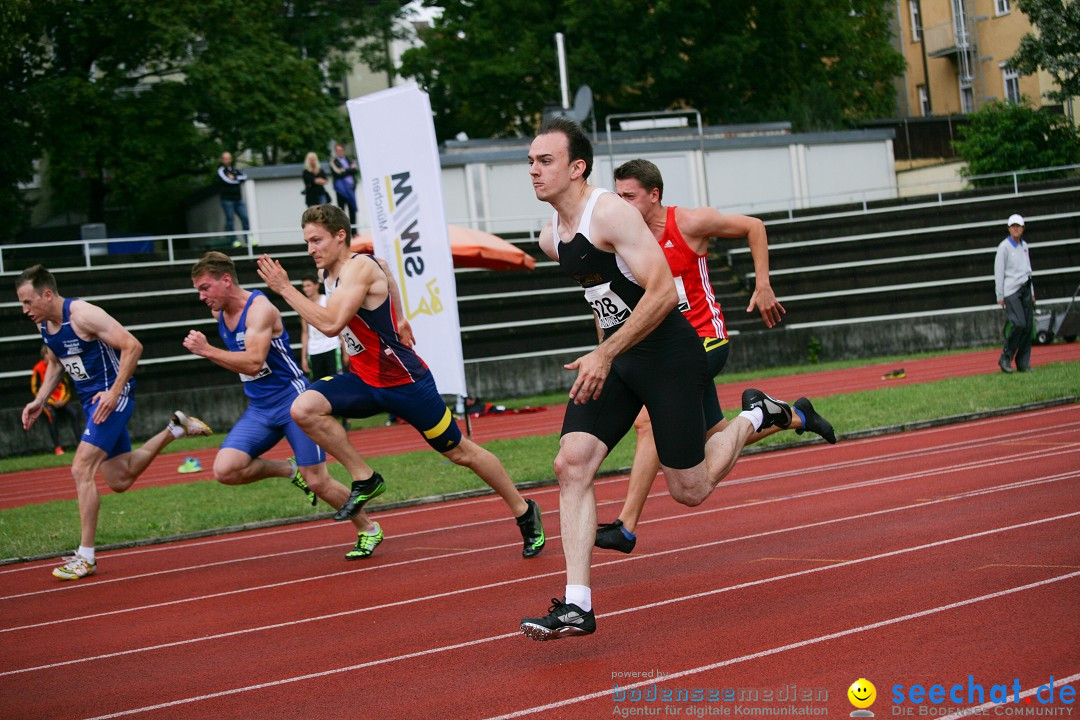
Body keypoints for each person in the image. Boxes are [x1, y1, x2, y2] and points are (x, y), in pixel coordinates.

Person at [517, 117, 815, 641]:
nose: (534, 170)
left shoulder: (608, 211)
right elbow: (601, 295)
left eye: (545, 160)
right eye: (531, 161)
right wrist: (604, 349)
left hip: (670, 353)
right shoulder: (554, 235)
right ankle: (577, 605)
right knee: (572, 463)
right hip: (621, 357)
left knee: (689, 489)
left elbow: (662, 294)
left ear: (577, 167)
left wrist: (605, 352)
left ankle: (756, 415)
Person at [254, 204, 547, 560]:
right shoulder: (336, 275)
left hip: (406, 383)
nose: (310, 249)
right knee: (304, 407)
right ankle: (365, 477)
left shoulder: (358, 267)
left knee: (460, 452)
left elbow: (330, 325)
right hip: (365, 381)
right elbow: (389, 274)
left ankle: (523, 509)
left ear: (340, 236)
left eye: (316, 240)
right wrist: (400, 315)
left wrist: (284, 288)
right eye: (307, 242)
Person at [595, 159, 838, 554]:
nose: (621, 204)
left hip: (705, 341)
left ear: (654, 195)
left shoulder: (689, 222)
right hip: (663, 350)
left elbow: (753, 227)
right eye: (617, 196)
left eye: (629, 196)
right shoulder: (625, 241)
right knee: (717, 439)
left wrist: (762, 285)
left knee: (648, 420)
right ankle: (790, 414)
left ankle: (626, 525)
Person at [17, 265, 212, 580]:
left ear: (47, 294)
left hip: (112, 399)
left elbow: (132, 346)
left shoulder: (83, 315)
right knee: (120, 479)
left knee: (81, 468)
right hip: (92, 404)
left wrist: (114, 392)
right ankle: (176, 427)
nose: (24, 310)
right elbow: (55, 363)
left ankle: (86, 556)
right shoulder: (45, 325)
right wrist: (40, 400)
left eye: (28, 302)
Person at [184, 252, 383, 559]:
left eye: (205, 287)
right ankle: (291, 470)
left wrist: (207, 350)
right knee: (226, 470)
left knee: (319, 480)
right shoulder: (219, 314)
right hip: (260, 408)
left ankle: (368, 528)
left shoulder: (259, 309)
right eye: (198, 290)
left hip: (293, 402)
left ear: (226, 280)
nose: (201, 296)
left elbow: (252, 363)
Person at [995, 214, 1035, 373]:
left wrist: (1032, 291)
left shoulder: (1025, 246)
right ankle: (1006, 356)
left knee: (1028, 327)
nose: (1016, 228)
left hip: (1025, 288)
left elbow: (1028, 269)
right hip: (1011, 290)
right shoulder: (1004, 247)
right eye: (1013, 226)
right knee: (1018, 323)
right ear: (1009, 228)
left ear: (1023, 229)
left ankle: (1023, 362)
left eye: (1018, 226)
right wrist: (1000, 295)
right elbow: (999, 272)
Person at [30, 344, 83, 455]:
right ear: (45, 355)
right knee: (52, 416)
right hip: (48, 401)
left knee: (74, 413)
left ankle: (80, 443)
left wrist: (63, 400)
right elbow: (35, 389)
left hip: (61, 400)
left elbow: (66, 386)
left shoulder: (58, 366)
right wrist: (50, 401)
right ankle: (57, 447)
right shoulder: (38, 369)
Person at [299, 274, 340, 380]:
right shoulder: (303, 305)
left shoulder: (326, 300)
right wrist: (303, 357)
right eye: (304, 286)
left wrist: (344, 350)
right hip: (314, 350)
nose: (306, 289)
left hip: (331, 346)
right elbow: (305, 332)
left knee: (335, 381)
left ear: (316, 285)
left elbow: (338, 325)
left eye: (308, 285)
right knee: (319, 384)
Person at [217, 151, 250, 247]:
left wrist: (234, 177)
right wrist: (236, 179)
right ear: (222, 160)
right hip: (227, 200)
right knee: (230, 220)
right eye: (225, 158)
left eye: (228, 158)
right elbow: (228, 181)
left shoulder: (235, 170)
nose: (227, 160)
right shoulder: (221, 171)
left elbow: (244, 177)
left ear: (231, 159)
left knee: (245, 218)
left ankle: (248, 240)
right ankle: (234, 241)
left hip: (238, 199)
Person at [329, 143, 359, 229]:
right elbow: (338, 173)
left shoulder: (349, 160)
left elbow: (354, 170)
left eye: (341, 150)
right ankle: (343, 229)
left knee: (352, 209)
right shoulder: (334, 161)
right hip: (341, 189)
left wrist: (344, 170)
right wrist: (349, 170)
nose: (340, 152)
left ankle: (354, 231)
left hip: (350, 188)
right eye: (338, 151)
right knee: (341, 210)